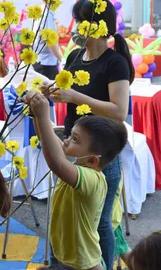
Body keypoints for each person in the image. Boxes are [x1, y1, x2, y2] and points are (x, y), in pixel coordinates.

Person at [42, 0, 135, 270]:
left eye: (80, 22)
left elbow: (119, 112)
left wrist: (74, 96)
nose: (75, 28)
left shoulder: (114, 62)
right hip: (73, 147)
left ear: (95, 25)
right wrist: (56, 92)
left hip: (99, 152)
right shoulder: (74, 56)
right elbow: (69, 95)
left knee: (100, 224)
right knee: (71, 216)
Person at [24, 91, 128, 270]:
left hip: (85, 264)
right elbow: (48, 141)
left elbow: (57, 163)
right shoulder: (78, 164)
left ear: (92, 160)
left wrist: (43, 115)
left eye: (75, 140)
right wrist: (35, 115)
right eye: (70, 135)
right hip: (68, 257)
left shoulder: (93, 179)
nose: (65, 142)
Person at [33, 0, 62, 80]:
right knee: (48, 92)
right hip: (45, 63)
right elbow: (49, 40)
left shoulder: (42, 12)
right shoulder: (46, 14)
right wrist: (60, 58)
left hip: (43, 61)